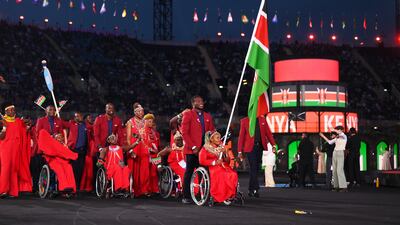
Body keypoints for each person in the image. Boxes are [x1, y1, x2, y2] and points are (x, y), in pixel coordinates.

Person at [181, 95, 215, 204]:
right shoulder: (188, 114)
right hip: (192, 150)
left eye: (202, 101)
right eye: (198, 101)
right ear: (193, 103)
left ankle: (203, 195)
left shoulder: (208, 116)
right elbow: (185, 133)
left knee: (204, 173)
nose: (201, 102)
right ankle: (186, 196)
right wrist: (193, 147)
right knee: (189, 173)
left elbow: (211, 132)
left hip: (204, 150)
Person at [237, 115, 276, 197]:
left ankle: (251, 189)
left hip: (260, 147)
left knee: (256, 169)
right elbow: (241, 136)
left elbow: (268, 133)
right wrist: (239, 151)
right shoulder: (245, 120)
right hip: (250, 148)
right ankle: (256, 189)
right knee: (253, 167)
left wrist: (273, 145)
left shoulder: (262, 120)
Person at [0, 103, 32, 198]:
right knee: (6, 168)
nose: (12, 111)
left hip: (16, 148)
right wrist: (4, 128)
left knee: (14, 169)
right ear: (5, 111)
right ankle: (2, 190)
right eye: (10, 110)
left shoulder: (18, 121)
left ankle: (13, 191)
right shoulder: (2, 121)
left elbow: (24, 132)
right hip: (5, 148)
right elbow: (1, 137)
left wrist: (28, 126)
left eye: (13, 109)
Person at [199, 131, 238, 203]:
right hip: (212, 167)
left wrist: (224, 153)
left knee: (233, 174)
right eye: (217, 138)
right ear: (212, 139)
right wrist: (214, 162)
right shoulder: (205, 148)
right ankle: (217, 195)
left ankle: (229, 194)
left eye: (220, 138)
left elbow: (227, 161)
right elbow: (202, 161)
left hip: (223, 165)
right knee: (222, 174)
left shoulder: (221, 147)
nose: (219, 139)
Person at [134, 113, 160, 197]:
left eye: (152, 121)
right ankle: (144, 190)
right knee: (145, 173)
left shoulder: (154, 132)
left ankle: (154, 189)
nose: (151, 123)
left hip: (155, 155)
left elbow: (157, 143)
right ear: (145, 121)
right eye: (149, 121)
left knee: (154, 172)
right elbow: (143, 143)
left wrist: (156, 151)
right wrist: (149, 150)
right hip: (145, 155)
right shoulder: (141, 131)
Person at [66, 111, 92, 191]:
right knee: (73, 169)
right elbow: (62, 123)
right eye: (76, 116)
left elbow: (95, 128)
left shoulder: (86, 126)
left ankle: (77, 186)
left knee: (80, 170)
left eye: (79, 116)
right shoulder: (71, 124)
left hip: (83, 151)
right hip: (73, 150)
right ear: (74, 118)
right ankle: (72, 186)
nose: (78, 118)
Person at [320, 126, 348, 192]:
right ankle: (336, 186)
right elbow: (330, 142)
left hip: (341, 152)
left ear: (341, 130)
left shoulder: (344, 136)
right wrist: (323, 136)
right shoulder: (337, 137)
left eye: (338, 130)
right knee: (334, 170)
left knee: (339, 169)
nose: (336, 131)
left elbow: (340, 133)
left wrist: (333, 129)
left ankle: (343, 187)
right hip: (335, 153)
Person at [126, 103, 144, 173]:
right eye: (139, 111)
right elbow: (128, 139)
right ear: (135, 112)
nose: (141, 113)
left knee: (143, 171)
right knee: (133, 171)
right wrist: (131, 151)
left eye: (142, 111)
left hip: (143, 149)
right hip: (134, 148)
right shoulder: (130, 122)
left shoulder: (145, 122)